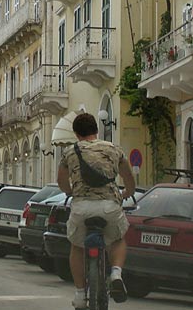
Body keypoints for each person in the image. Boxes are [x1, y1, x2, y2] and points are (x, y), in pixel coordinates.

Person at [57, 113, 136, 309]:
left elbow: (61, 181)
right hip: (109, 206)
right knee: (118, 239)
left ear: (76, 134)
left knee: (77, 245)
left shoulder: (69, 152)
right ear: (97, 130)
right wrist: (128, 192)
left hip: (81, 207)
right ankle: (116, 273)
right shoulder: (114, 149)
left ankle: (79, 294)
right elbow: (128, 177)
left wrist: (70, 191)